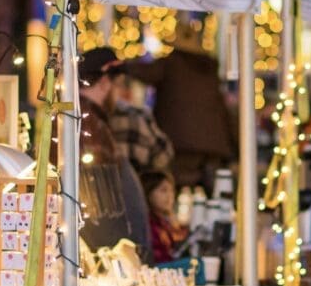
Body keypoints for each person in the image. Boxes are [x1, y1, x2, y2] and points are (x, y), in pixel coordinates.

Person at [125, 23, 236, 191]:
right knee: (210, 198)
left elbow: (145, 72)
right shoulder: (209, 69)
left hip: (179, 142)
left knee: (173, 190)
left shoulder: (170, 64)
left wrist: (120, 66)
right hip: (213, 145)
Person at [78, 47, 151, 258]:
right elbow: (99, 202)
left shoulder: (86, 119)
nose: (118, 95)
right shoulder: (88, 125)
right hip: (106, 251)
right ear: (104, 83)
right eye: (117, 86)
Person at [108, 74, 174, 174]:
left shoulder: (88, 117)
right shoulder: (138, 116)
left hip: (100, 184)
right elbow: (165, 154)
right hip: (139, 182)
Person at [142, 170, 187, 264]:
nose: (170, 196)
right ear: (148, 193)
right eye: (163, 190)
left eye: (172, 190)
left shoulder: (164, 222)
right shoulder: (147, 224)